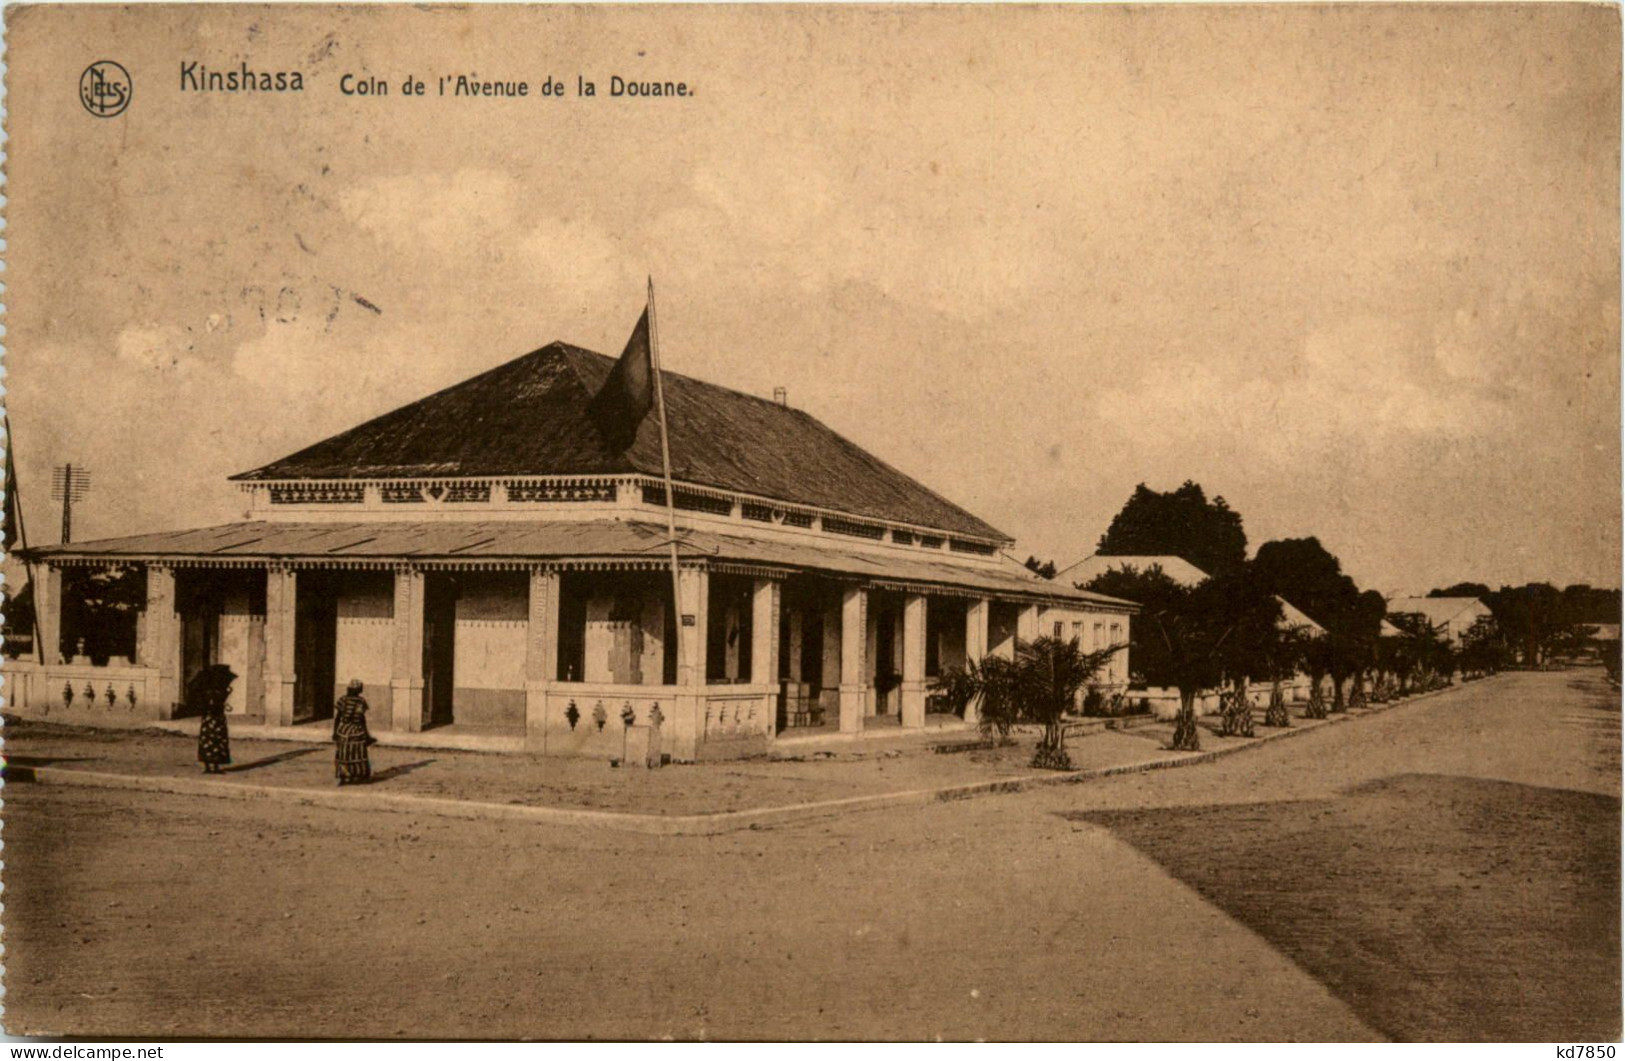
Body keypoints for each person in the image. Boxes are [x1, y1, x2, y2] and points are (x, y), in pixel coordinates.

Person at [189, 664, 236, 774]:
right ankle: (214, 767)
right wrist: (226, 694)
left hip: (208, 719)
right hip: (216, 719)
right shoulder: (216, 691)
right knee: (216, 742)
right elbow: (217, 704)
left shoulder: (207, 690)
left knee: (207, 742)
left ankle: (208, 767)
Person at [333, 678, 375, 786]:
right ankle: (358, 775)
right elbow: (362, 719)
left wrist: (335, 732)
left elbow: (337, 718)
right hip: (357, 731)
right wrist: (367, 735)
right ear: (359, 690)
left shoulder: (342, 700)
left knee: (343, 754)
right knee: (358, 753)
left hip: (344, 731)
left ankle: (344, 776)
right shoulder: (361, 701)